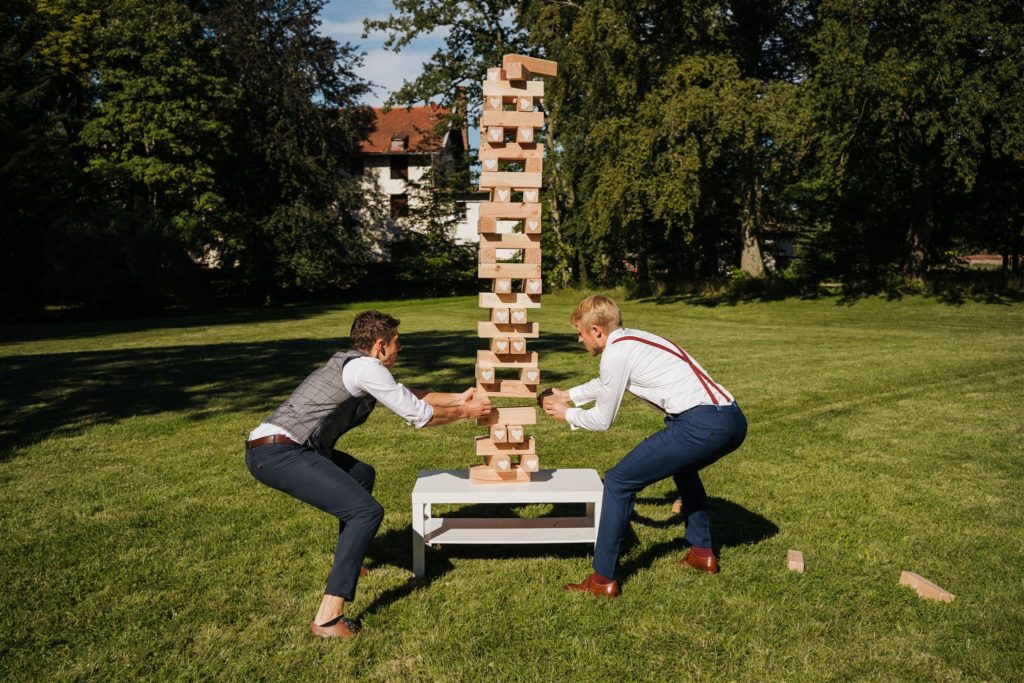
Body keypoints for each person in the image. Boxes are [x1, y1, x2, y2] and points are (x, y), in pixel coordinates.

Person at [245, 310, 492, 637]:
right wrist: (465, 412)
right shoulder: (369, 369)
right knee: (366, 511)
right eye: (396, 343)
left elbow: (408, 395)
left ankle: (345, 565)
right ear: (380, 345)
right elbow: (418, 416)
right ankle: (328, 618)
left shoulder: (357, 365)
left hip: (275, 446)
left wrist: (457, 398)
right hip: (279, 453)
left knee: (361, 474)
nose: (399, 349)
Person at [541, 295, 747, 598]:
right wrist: (568, 394)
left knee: (618, 480)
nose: (579, 338)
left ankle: (602, 580)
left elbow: (602, 420)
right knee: (684, 469)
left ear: (596, 331)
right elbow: (608, 383)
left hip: (700, 424)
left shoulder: (615, 355)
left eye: (581, 332)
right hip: (731, 420)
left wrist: (566, 414)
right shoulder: (632, 340)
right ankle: (702, 554)